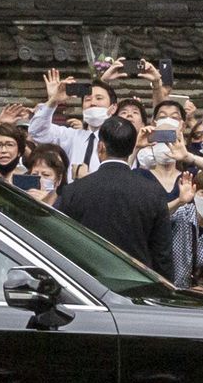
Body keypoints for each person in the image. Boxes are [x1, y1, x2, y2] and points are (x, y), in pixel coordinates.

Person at [55, 117, 175, 277]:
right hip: (137, 284)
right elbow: (162, 253)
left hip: (86, 285)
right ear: (133, 147)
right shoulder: (152, 191)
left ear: (101, 147)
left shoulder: (74, 190)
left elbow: (61, 243)